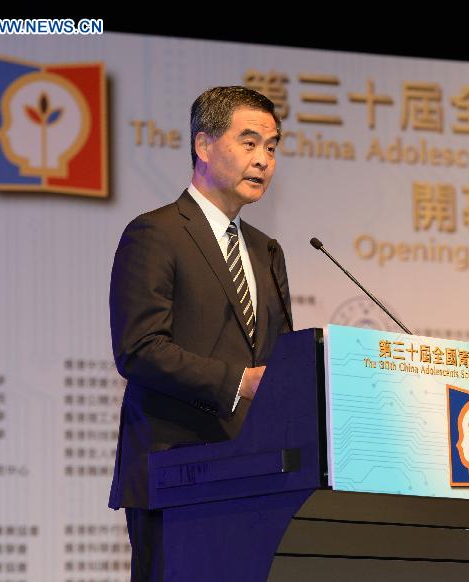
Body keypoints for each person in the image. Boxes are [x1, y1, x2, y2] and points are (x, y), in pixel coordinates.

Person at [107, 86, 292, 581]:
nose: (264, 160)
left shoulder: (266, 250)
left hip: (254, 476)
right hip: (177, 473)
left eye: (272, 148)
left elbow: (281, 358)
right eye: (249, 143)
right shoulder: (156, 233)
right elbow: (139, 349)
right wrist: (240, 382)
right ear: (204, 145)